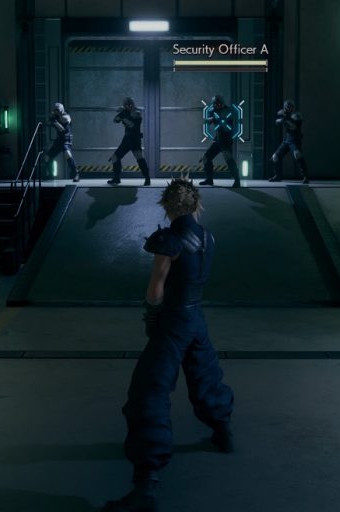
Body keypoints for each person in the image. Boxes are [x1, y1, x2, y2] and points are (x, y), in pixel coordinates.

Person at [102, 177, 235, 512]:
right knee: (205, 376)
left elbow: (155, 288)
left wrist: (151, 316)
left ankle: (146, 484)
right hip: (197, 318)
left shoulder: (169, 239)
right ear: (195, 205)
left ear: (167, 205)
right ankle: (223, 430)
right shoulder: (208, 237)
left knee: (150, 391)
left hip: (174, 321)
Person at [200, 95, 241, 188]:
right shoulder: (213, 110)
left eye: (217, 103)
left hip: (226, 139)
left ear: (221, 103)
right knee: (206, 158)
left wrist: (219, 119)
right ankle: (209, 179)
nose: (216, 105)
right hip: (218, 139)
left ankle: (237, 180)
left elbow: (231, 123)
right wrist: (212, 119)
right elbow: (207, 121)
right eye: (214, 103)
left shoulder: (228, 110)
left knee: (229, 159)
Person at [108, 97, 151, 186]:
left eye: (130, 104)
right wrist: (122, 113)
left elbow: (131, 124)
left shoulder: (137, 112)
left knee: (139, 157)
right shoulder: (125, 112)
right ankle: (116, 178)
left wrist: (123, 115)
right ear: (125, 105)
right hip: (127, 139)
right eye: (127, 105)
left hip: (135, 139)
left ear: (133, 104)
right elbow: (115, 120)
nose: (129, 106)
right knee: (115, 158)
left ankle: (147, 178)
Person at [269, 99, 309, 184]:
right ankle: (278, 176)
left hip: (295, 139)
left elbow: (294, 126)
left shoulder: (296, 115)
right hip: (287, 139)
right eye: (287, 106)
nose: (288, 108)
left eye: (290, 106)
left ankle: (305, 176)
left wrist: (286, 119)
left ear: (293, 107)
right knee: (275, 156)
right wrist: (282, 119)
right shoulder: (284, 114)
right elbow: (277, 121)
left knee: (297, 154)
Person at [43, 102, 80, 182]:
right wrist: (52, 119)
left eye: (58, 110)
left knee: (68, 154)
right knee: (47, 157)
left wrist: (54, 121)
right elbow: (49, 121)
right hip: (59, 140)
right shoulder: (56, 116)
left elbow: (63, 130)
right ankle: (51, 174)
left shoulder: (66, 117)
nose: (57, 112)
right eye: (55, 110)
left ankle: (76, 174)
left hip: (66, 140)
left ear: (62, 110)